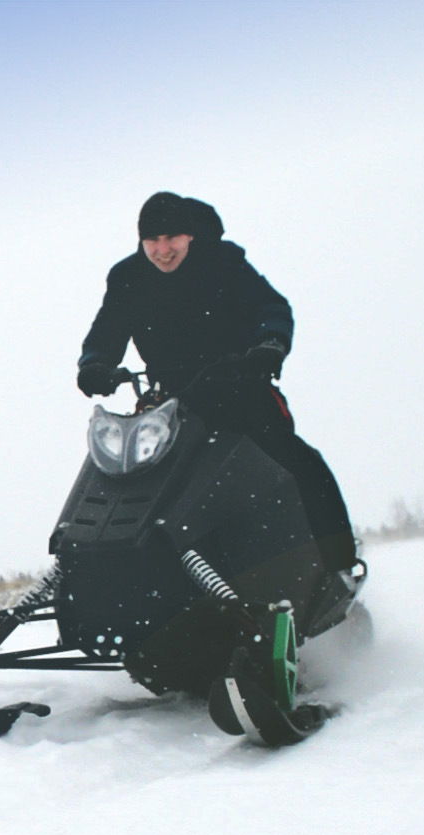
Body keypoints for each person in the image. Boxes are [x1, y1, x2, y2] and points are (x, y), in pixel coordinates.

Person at [77, 191, 358, 572]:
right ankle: (126, 575)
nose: (162, 250)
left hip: (240, 389)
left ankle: (338, 566)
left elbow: (271, 307)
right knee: (130, 477)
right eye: (152, 241)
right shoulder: (128, 277)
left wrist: (269, 345)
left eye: (171, 238)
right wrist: (95, 364)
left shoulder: (224, 262)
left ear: (189, 235)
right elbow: (106, 332)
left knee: (298, 465)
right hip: (169, 406)